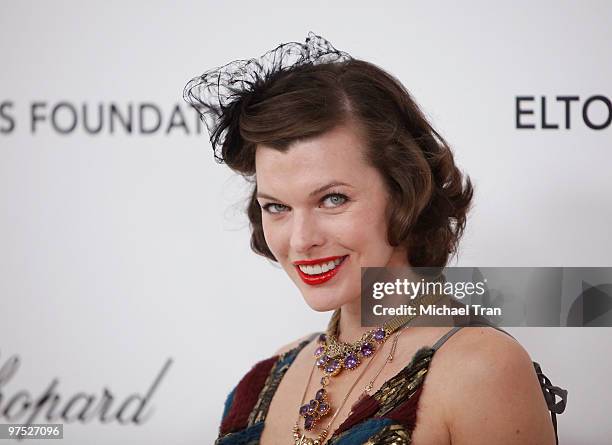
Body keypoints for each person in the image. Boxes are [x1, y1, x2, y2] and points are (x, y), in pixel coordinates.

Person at [184, 32, 567, 445]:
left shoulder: (479, 367)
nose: (300, 240)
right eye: (277, 207)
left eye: (333, 199)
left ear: (404, 190)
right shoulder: (262, 382)